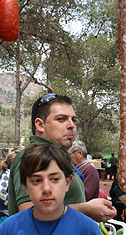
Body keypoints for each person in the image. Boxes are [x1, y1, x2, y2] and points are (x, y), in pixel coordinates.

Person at [6, 93, 116, 222]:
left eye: (73, 120)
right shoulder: (30, 158)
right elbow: (27, 213)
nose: (71, 125)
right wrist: (86, 209)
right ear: (40, 125)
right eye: (61, 119)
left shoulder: (60, 157)